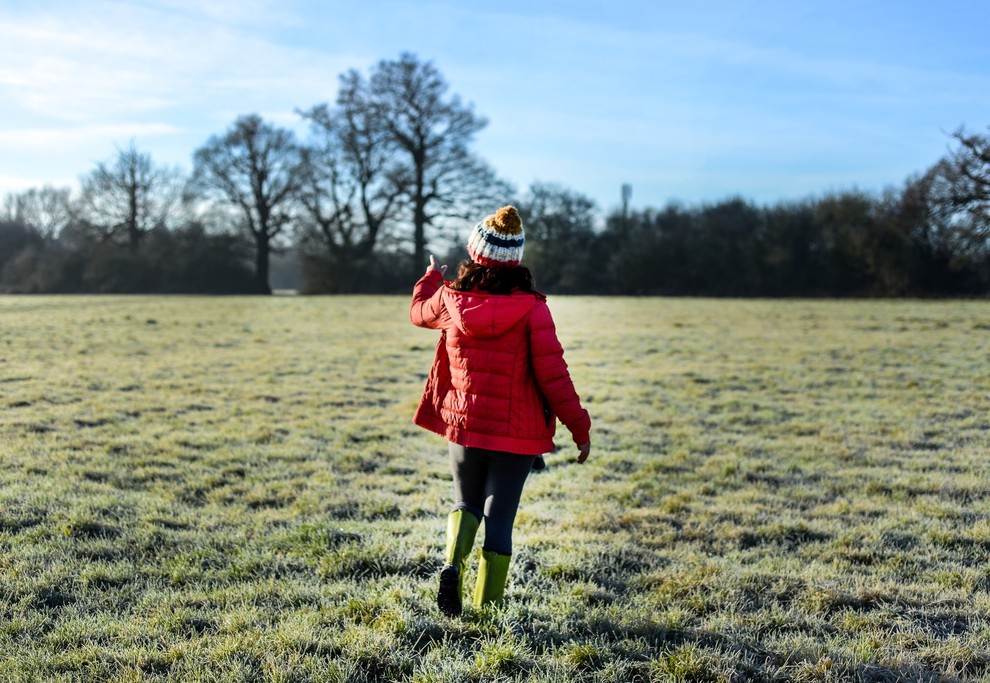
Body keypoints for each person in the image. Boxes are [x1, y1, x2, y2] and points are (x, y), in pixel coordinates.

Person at [409, 205, 592, 617]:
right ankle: (487, 614)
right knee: (499, 518)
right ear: (517, 260)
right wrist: (580, 429)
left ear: (475, 253)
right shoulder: (533, 309)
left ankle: (452, 564)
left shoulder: (448, 299)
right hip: (516, 434)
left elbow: (417, 313)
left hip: (464, 424)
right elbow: (555, 377)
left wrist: (430, 277)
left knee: (465, 503)